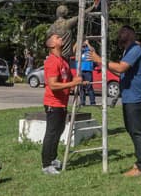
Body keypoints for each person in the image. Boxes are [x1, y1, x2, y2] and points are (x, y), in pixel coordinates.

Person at [87, 26, 141, 177]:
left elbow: (121, 68)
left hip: (136, 97)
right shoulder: (127, 50)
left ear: (131, 35)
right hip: (129, 96)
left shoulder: (135, 49)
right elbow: (119, 70)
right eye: (120, 32)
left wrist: (99, 59)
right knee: (132, 129)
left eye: (124, 32)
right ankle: (140, 162)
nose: (120, 34)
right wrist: (100, 63)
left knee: (138, 131)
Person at [40, 32, 83, 175]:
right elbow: (52, 85)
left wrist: (79, 82)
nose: (61, 38)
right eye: (57, 37)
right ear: (51, 44)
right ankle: (46, 165)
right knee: (51, 133)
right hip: (53, 103)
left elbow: (68, 80)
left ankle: (52, 159)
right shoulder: (52, 61)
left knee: (58, 132)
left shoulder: (63, 61)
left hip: (62, 104)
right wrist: (73, 82)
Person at [79, 42, 96, 106]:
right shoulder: (80, 50)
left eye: (84, 42)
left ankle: (92, 102)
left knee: (89, 86)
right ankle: (82, 102)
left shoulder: (89, 49)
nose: (83, 43)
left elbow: (93, 50)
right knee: (81, 88)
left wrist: (88, 43)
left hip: (88, 71)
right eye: (82, 41)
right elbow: (74, 50)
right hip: (81, 71)